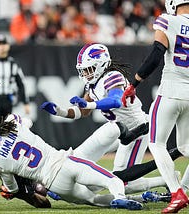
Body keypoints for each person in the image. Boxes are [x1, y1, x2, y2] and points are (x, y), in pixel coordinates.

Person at [41, 43, 166, 194]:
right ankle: (67, 186)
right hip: (116, 129)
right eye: (83, 70)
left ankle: (166, 180)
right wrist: (60, 111)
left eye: (89, 69)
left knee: (121, 181)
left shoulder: (112, 76)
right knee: (78, 160)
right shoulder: (92, 84)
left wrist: (89, 103)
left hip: (136, 130)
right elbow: (83, 111)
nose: (86, 74)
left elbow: (115, 100)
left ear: (101, 64)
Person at [0, 113, 143, 210]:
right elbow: (28, 120)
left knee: (93, 201)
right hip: (64, 162)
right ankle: (120, 196)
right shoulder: (12, 122)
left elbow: (13, 189)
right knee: (110, 179)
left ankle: (117, 201)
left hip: (54, 183)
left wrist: (9, 188)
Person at [121, 0, 189, 213]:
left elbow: (156, 55)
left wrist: (134, 84)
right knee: (186, 147)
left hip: (170, 90)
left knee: (156, 144)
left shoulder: (168, 20)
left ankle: (177, 193)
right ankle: (184, 189)